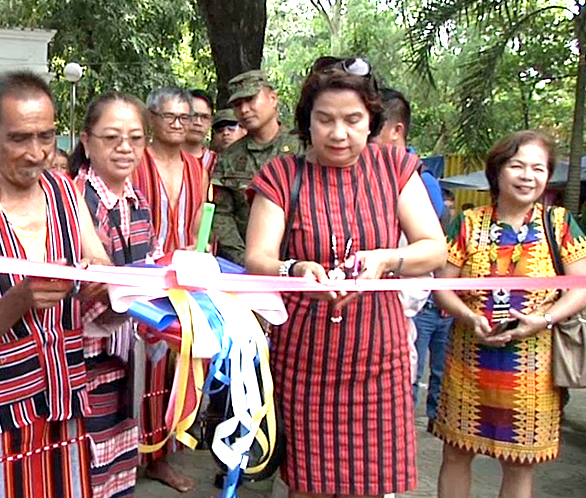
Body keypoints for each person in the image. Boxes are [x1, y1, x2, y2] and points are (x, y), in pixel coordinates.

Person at [245, 56, 447, 497]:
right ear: (307, 122)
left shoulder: (396, 169)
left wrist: (386, 261)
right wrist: (295, 269)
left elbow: (434, 247)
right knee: (308, 483)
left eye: (353, 120)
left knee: (374, 483)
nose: (339, 133)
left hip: (380, 357)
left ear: (371, 120)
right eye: (326, 120)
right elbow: (257, 259)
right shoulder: (282, 174)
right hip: (305, 358)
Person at [0, 70, 111, 498]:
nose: (37, 154)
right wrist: (20, 299)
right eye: (19, 139)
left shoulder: (66, 193)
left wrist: (102, 285)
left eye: (47, 137)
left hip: (64, 395)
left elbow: (100, 264)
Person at [431, 131, 586, 498]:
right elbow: (441, 286)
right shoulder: (468, 224)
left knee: (520, 466)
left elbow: (581, 285)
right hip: (468, 361)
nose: (527, 176)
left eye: (538, 168)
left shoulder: (560, 224)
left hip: (533, 369)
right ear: (497, 171)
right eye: (517, 165)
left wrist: (543, 319)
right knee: (456, 453)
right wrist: (470, 318)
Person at [71, 91, 154, 498]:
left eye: (135, 138)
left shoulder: (139, 203)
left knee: (118, 466)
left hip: (125, 356)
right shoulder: (70, 200)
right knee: (81, 468)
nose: (125, 148)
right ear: (86, 141)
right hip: (81, 361)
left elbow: (150, 265)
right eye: (112, 137)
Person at [131, 86, 206, 492]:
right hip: (139, 282)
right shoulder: (135, 160)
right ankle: (130, 455)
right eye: (169, 117)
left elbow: (197, 227)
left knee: (176, 371)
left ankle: (161, 457)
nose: (178, 125)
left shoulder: (197, 167)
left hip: (182, 285)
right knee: (138, 370)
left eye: (186, 117)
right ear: (152, 119)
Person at [374, 87, 452, 420]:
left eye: (367, 124)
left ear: (396, 131)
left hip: (399, 312)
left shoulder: (417, 181)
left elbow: (427, 252)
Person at [211, 69, 298, 266]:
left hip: (303, 265)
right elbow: (222, 214)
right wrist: (246, 261)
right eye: (237, 105)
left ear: (273, 98)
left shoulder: (303, 147)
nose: (244, 110)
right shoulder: (230, 158)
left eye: (250, 100)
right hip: (248, 266)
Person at [183, 89, 217, 175]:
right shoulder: (162, 159)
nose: (198, 122)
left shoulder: (217, 163)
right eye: (193, 115)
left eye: (205, 117)